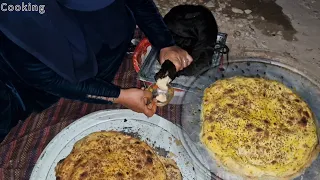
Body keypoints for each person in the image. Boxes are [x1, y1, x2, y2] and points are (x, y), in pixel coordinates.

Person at [0, 0, 193, 142]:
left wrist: (165, 43)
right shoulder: (18, 13)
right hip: (23, 79)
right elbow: (50, 79)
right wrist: (117, 95)